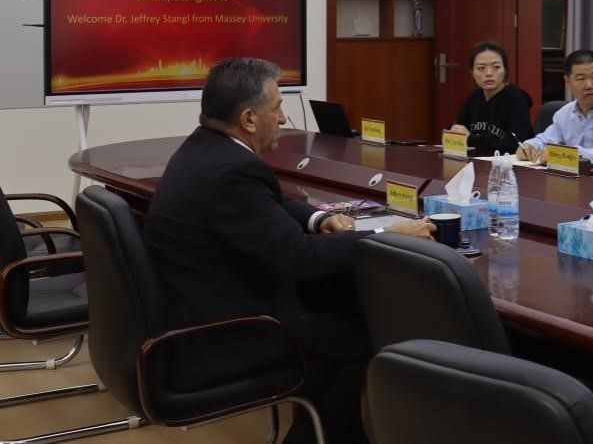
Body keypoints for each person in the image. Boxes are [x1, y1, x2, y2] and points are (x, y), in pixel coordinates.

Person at [142, 57, 435, 444]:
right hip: (227, 335)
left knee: (337, 308)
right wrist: (390, 235)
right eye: (277, 108)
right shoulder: (233, 171)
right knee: (364, 334)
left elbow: (271, 203)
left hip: (198, 313)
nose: (283, 118)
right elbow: (299, 258)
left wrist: (318, 218)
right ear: (249, 119)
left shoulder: (204, 150)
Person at [517, 49, 593, 173]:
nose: (589, 85)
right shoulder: (564, 114)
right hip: (582, 180)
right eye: (581, 79)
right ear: (568, 81)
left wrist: (569, 154)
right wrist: (530, 146)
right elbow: (545, 139)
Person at [448, 41, 533, 154]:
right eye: (481, 68)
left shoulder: (517, 99)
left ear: (505, 70)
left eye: (496, 67)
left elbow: (516, 143)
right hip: (475, 160)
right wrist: (455, 131)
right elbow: (461, 130)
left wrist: (471, 139)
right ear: (472, 72)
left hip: (507, 162)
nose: (489, 73)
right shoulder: (473, 99)